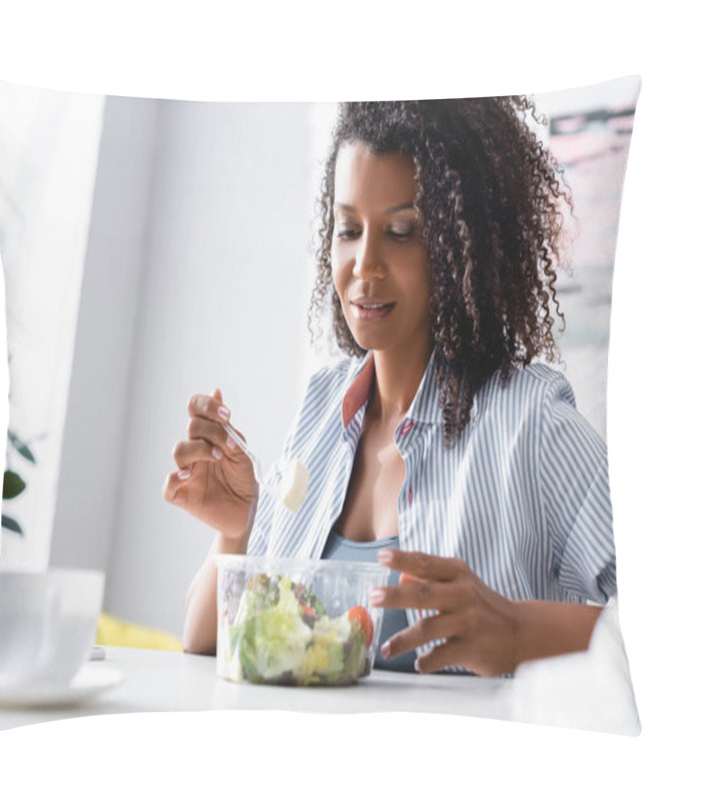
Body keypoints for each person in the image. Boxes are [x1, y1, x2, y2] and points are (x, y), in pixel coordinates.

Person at [163, 98, 615, 678]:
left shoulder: (532, 424)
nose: (365, 265)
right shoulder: (321, 409)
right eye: (349, 230)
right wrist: (236, 531)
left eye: (402, 233)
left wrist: (518, 630)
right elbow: (204, 639)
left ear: (460, 246)